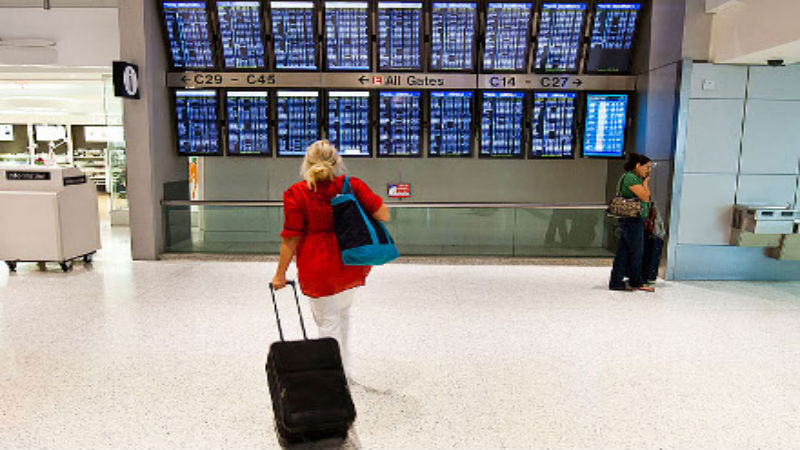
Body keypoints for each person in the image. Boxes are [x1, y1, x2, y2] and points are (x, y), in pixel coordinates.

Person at [272, 140, 390, 373]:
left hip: (317, 266)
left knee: (327, 323)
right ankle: (344, 370)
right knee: (343, 315)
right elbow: (383, 215)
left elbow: (291, 237)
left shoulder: (296, 193)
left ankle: (334, 378)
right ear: (337, 162)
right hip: (351, 260)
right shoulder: (352, 186)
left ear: (307, 163)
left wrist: (280, 274)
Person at [609, 153, 655, 292]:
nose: (648, 170)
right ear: (638, 165)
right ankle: (636, 282)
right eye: (647, 167)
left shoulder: (631, 177)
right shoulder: (630, 178)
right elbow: (645, 198)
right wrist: (645, 183)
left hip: (631, 220)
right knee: (636, 252)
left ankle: (616, 282)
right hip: (633, 220)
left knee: (623, 253)